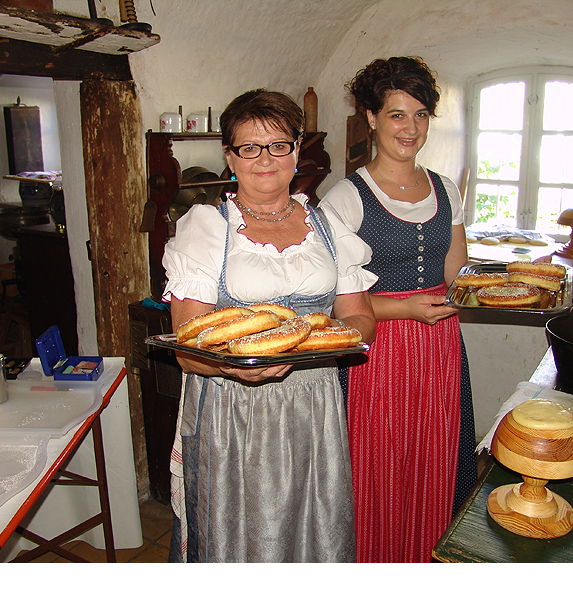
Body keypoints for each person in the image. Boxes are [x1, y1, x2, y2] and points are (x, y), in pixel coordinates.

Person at [161, 89, 377, 562]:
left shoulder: (327, 226)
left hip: (313, 402)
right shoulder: (205, 228)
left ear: (297, 150)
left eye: (279, 145)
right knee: (242, 534)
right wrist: (236, 369)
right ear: (229, 156)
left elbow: (360, 315)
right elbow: (187, 346)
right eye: (249, 147)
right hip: (234, 406)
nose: (265, 158)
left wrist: (334, 340)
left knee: (313, 524)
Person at [319, 56, 478, 563]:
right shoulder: (344, 199)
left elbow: (457, 273)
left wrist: (509, 284)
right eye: (396, 114)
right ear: (370, 116)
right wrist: (407, 308)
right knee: (378, 468)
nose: (410, 128)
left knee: (437, 458)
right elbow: (333, 300)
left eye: (421, 115)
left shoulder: (446, 190)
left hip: (440, 347)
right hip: (376, 350)